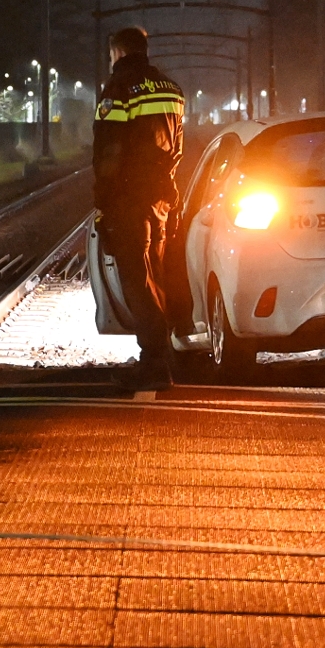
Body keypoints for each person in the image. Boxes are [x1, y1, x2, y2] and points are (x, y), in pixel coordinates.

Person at [93, 25, 185, 386]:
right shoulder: (171, 89)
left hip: (128, 200)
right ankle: (161, 354)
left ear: (116, 52)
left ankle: (154, 360)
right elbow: (177, 147)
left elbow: (109, 152)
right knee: (154, 274)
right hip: (160, 197)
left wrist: (104, 201)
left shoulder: (118, 90)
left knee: (135, 279)